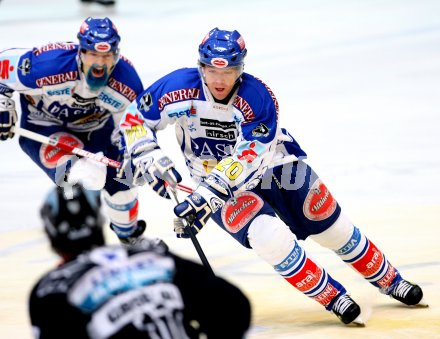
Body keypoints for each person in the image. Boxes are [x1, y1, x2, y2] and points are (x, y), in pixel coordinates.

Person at [117, 27, 428, 326]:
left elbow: (249, 155)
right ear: (201, 66)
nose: (220, 80)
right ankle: (334, 298)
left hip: (275, 168)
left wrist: (206, 197)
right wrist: (149, 158)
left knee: (331, 226)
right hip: (214, 183)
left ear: (241, 68)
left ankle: (391, 281)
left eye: (228, 71)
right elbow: (134, 119)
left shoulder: (257, 96)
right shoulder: (177, 87)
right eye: (212, 71)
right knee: (269, 239)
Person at [29, 183, 251, 338]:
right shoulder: (151, 256)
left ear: (50, 231)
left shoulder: (51, 289)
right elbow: (235, 307)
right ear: (99, 220)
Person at [0, 17, 149, 246]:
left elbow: (133, 130)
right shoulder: (48, 64)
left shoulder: (127, 82)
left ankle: (131, 239)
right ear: (81, 52)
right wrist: (3, 103)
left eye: (106, 56)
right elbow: (2, 67)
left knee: (123, 184)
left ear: (116, 55)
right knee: (83, 180)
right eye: (93, 54)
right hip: (44, 128)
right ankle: (82, 246)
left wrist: (134, 156)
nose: (100, 63)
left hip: (97, 131)